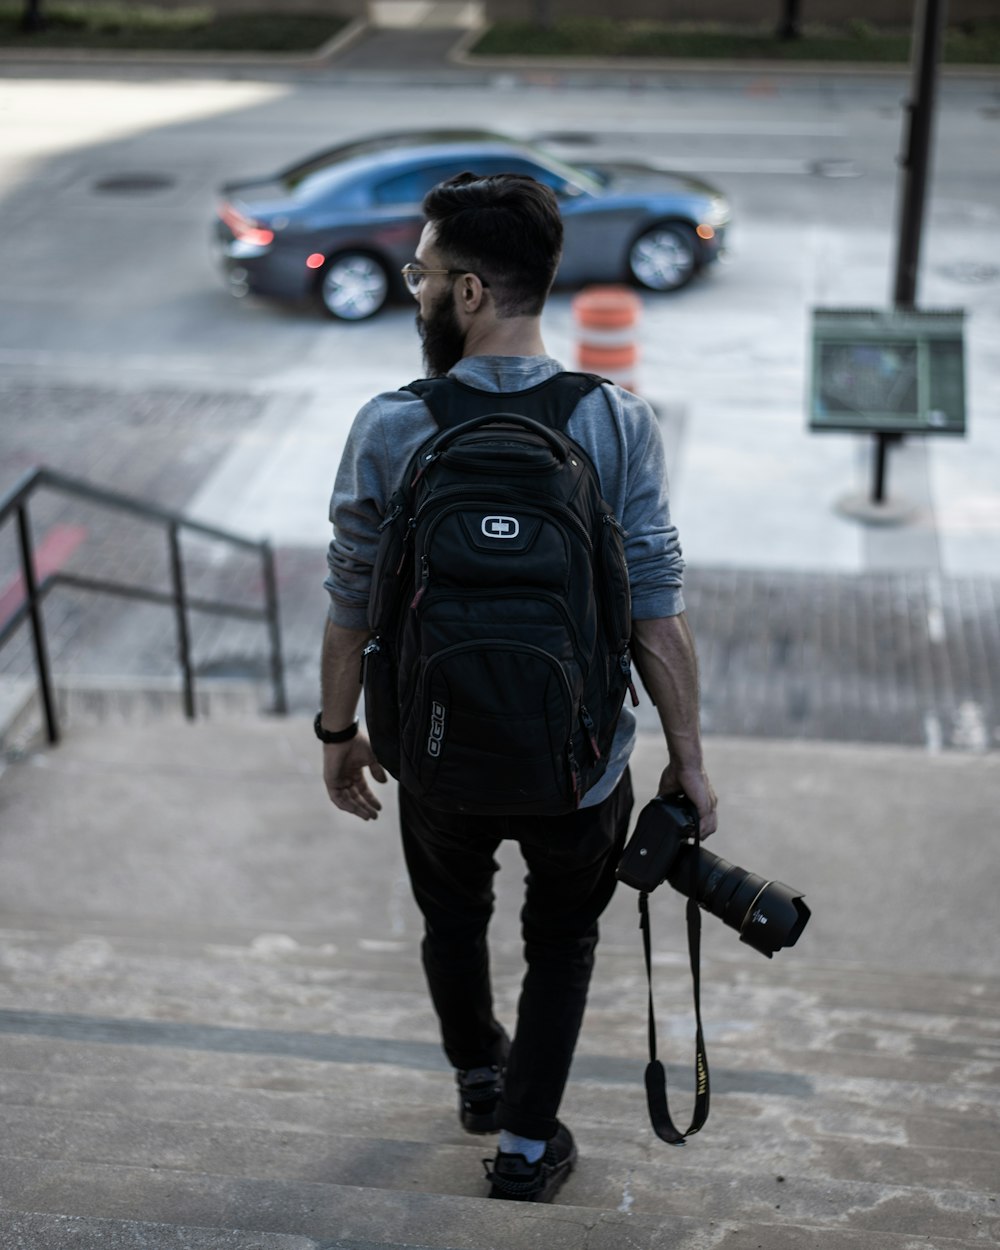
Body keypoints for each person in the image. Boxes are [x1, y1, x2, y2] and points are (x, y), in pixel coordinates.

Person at [319, 172, 717, 1203]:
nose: (413, 288)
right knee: (563, 936)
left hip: (434, 752)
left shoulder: (389, 423)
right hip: (579, 763)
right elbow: (655, 608)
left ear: (466, 293)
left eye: (421, 272)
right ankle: (529, 1143)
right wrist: (687, 756)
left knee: (451, 918)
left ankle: (479, 1076)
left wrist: (338, 730)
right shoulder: (616, 420)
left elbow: (350, 598)